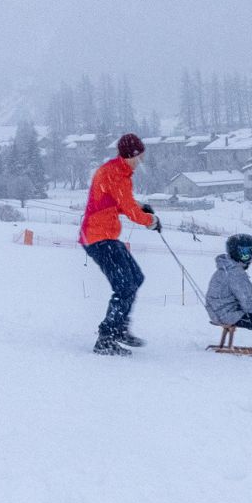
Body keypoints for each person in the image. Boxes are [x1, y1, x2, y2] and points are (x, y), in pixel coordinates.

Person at [80, 133, 160, 356]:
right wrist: (151, 221)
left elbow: (122, 202)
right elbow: (130, 210)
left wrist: (141, 207)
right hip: (98, 238)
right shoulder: (116, 174)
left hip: (105, 235)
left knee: (135, 278)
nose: (142, 160)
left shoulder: (118, 171)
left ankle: (120, 328)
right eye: (140, 155)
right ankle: (106, 338)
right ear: (131, 154)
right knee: (124, 286)